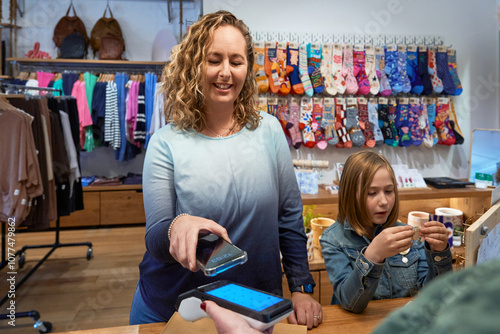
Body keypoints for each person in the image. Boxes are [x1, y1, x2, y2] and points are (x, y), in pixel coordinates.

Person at [129, 10, 322, 329]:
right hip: (177, 307)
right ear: (194, 64)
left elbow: (288, 215)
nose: (225, 72)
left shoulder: (270, 131)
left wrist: (301, 288)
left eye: (236, 61)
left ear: (248, 67)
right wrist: (179, 224)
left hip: (254, 304)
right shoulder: (166, 143)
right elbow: (156, 239)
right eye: (213, 59)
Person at [320, 151, 453, 313]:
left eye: (389, 191)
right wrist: (373, 255)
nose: (383, 202)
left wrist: (439, 253)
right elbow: (350, 303)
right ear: (350, 196)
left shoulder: (406, 233)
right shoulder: (333, 239)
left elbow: (436, 296)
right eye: (371, 193)